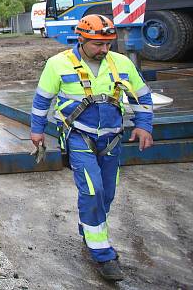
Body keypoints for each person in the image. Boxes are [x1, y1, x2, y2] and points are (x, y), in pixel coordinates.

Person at [30, 15, 154, 282]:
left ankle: (89, 226)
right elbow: (42, 100)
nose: (104, 49)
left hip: (111, 140)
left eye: (108, 43)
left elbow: (142, 95)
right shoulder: (58, 64)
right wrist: (37, 130)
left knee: (106, 193)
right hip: (79, 138)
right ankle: (103, 254)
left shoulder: (121, 64)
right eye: (98, 44)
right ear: (82, 39)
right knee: (92, 189)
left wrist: (144, 125)